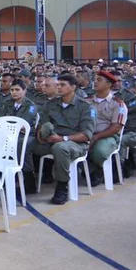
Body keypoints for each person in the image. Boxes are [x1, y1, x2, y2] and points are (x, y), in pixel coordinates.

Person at [29, 74, 96, 205]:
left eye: (62, 85)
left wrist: (63, 138)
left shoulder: (85, 107)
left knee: (60, 148)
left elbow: (86, 134)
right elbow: (43, 124)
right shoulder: (51, 104)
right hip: (51, 139)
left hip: (75, 143)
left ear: (73, 87)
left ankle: (62, 186)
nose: (58, 87)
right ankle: (27, 180)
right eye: (58, 84)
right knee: (26, 144)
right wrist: (42, 135)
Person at [85, 71, 127, 186]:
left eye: (99, 80)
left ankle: (97, 170)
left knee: (100, 152)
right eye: (95, 79)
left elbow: (116, 126)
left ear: (108, 85)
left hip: (108, 136)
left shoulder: (118, 104)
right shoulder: (87, 101)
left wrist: (96, 137)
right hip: (87, 133)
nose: (95, 82)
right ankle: (90, 169)